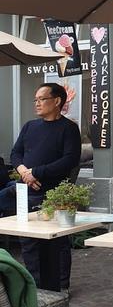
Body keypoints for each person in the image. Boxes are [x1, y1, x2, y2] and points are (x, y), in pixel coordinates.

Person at [10, 83, 81, 291]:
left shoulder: (68, 129)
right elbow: (15, 153)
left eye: (42, 99)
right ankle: (35, 286)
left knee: (57, 242)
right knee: (28, 241)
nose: (37, 103)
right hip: (27, 192)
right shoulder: (30, 126)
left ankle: (60, 287)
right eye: (36, 100)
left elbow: (69, 160)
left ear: (57, 101)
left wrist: (36, 172)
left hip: (54, 194)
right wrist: (25, 172)